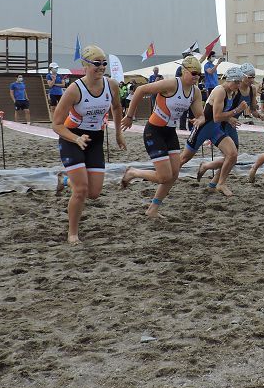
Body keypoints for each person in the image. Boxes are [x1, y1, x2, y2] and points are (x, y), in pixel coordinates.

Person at [52, 45, 126, 244]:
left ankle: (64, 180)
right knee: (81, 190)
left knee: (93, 193)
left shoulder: (111, 85)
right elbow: (56, 125)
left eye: (104, 63)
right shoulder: (74, 90)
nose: (101, 67)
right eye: (96, 63)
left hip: (95, 140)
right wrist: (75, 139)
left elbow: (117, 108)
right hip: (72, 139)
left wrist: (118, 133)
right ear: (85, 65)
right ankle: (73, 233)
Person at [121, 55, 205, 215]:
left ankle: (153, 209)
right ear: (184, 71)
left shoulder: (195, 92)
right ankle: (133, 172)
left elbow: (200, 114)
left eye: (199, 74)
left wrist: (200, 120)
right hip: (154, 131)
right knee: (163, 176)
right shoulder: (172, 84)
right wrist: (130, 116)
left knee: (174, 174)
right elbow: (140, 90)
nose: (196, 77)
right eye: (193, 73)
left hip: (169, 133)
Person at [179, 67, 246, 197]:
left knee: (232, 155)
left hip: (215, 129)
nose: (238, 85)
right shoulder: (220, 90)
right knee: (183, 159)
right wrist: (237, 110)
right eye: (237, 82)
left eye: (239, 82)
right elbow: (217, 116)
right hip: (203, 128)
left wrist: (230, 118)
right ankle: (165, 179)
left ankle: (220, 183)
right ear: (230, 80)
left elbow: (222, 116)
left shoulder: (232, 92)